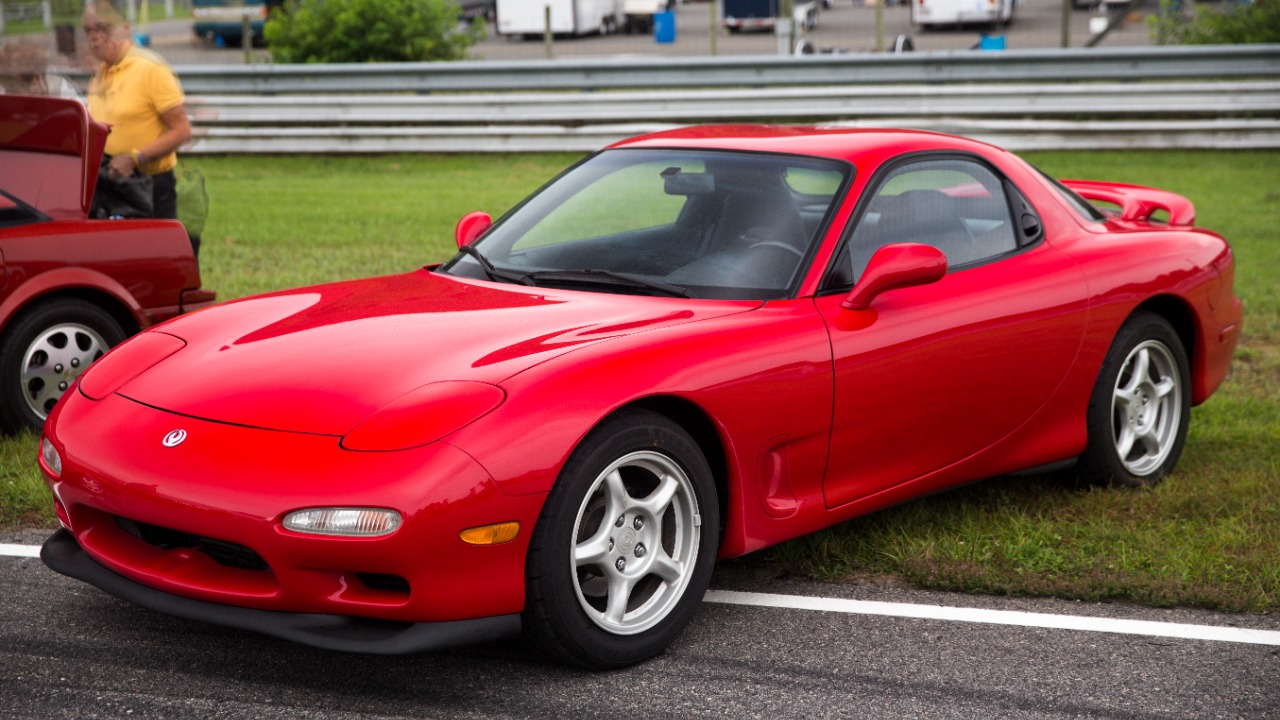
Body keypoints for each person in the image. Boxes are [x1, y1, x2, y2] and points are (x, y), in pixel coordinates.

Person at [82, 0, 198, 255]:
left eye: (103, 28)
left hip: (150, 186)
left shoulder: (150, 69)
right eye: (89, 30)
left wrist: (136, 157)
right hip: (113, 185)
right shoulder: (101, 74)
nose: (95, 37)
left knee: (160, 258)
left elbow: (182, 130)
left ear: (125, 28)